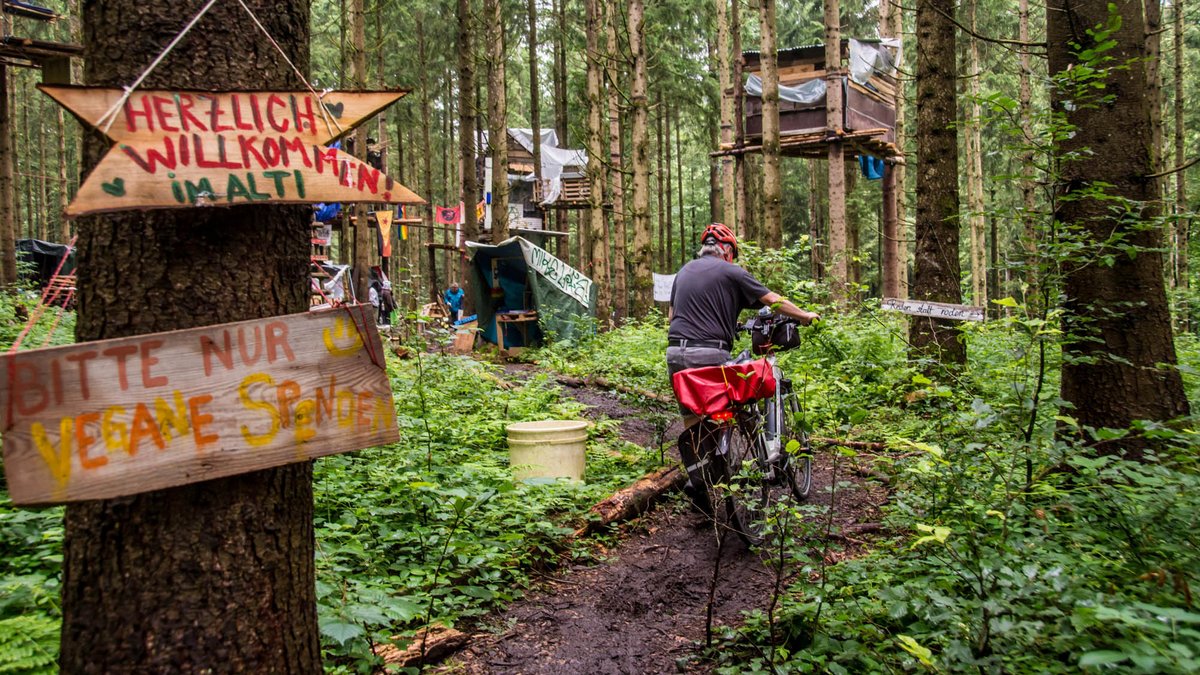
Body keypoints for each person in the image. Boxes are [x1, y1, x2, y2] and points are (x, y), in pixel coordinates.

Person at [667, 223, 820, 513]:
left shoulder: (683, 272)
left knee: (694, 419)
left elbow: (673, 315)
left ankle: (699, 484)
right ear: (727, 252)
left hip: (675, 353)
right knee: (732, 404)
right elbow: (772, 300)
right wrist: (804, 316)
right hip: (710, 353)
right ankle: (747, 461)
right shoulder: (731, 271)